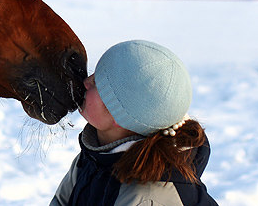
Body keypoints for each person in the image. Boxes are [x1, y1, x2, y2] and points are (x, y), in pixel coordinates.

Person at [50, 40, 218, 206]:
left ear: (119, 114)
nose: (86, 82)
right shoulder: (97, 155)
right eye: (94, 74)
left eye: (97, 84)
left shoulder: (147, 198)